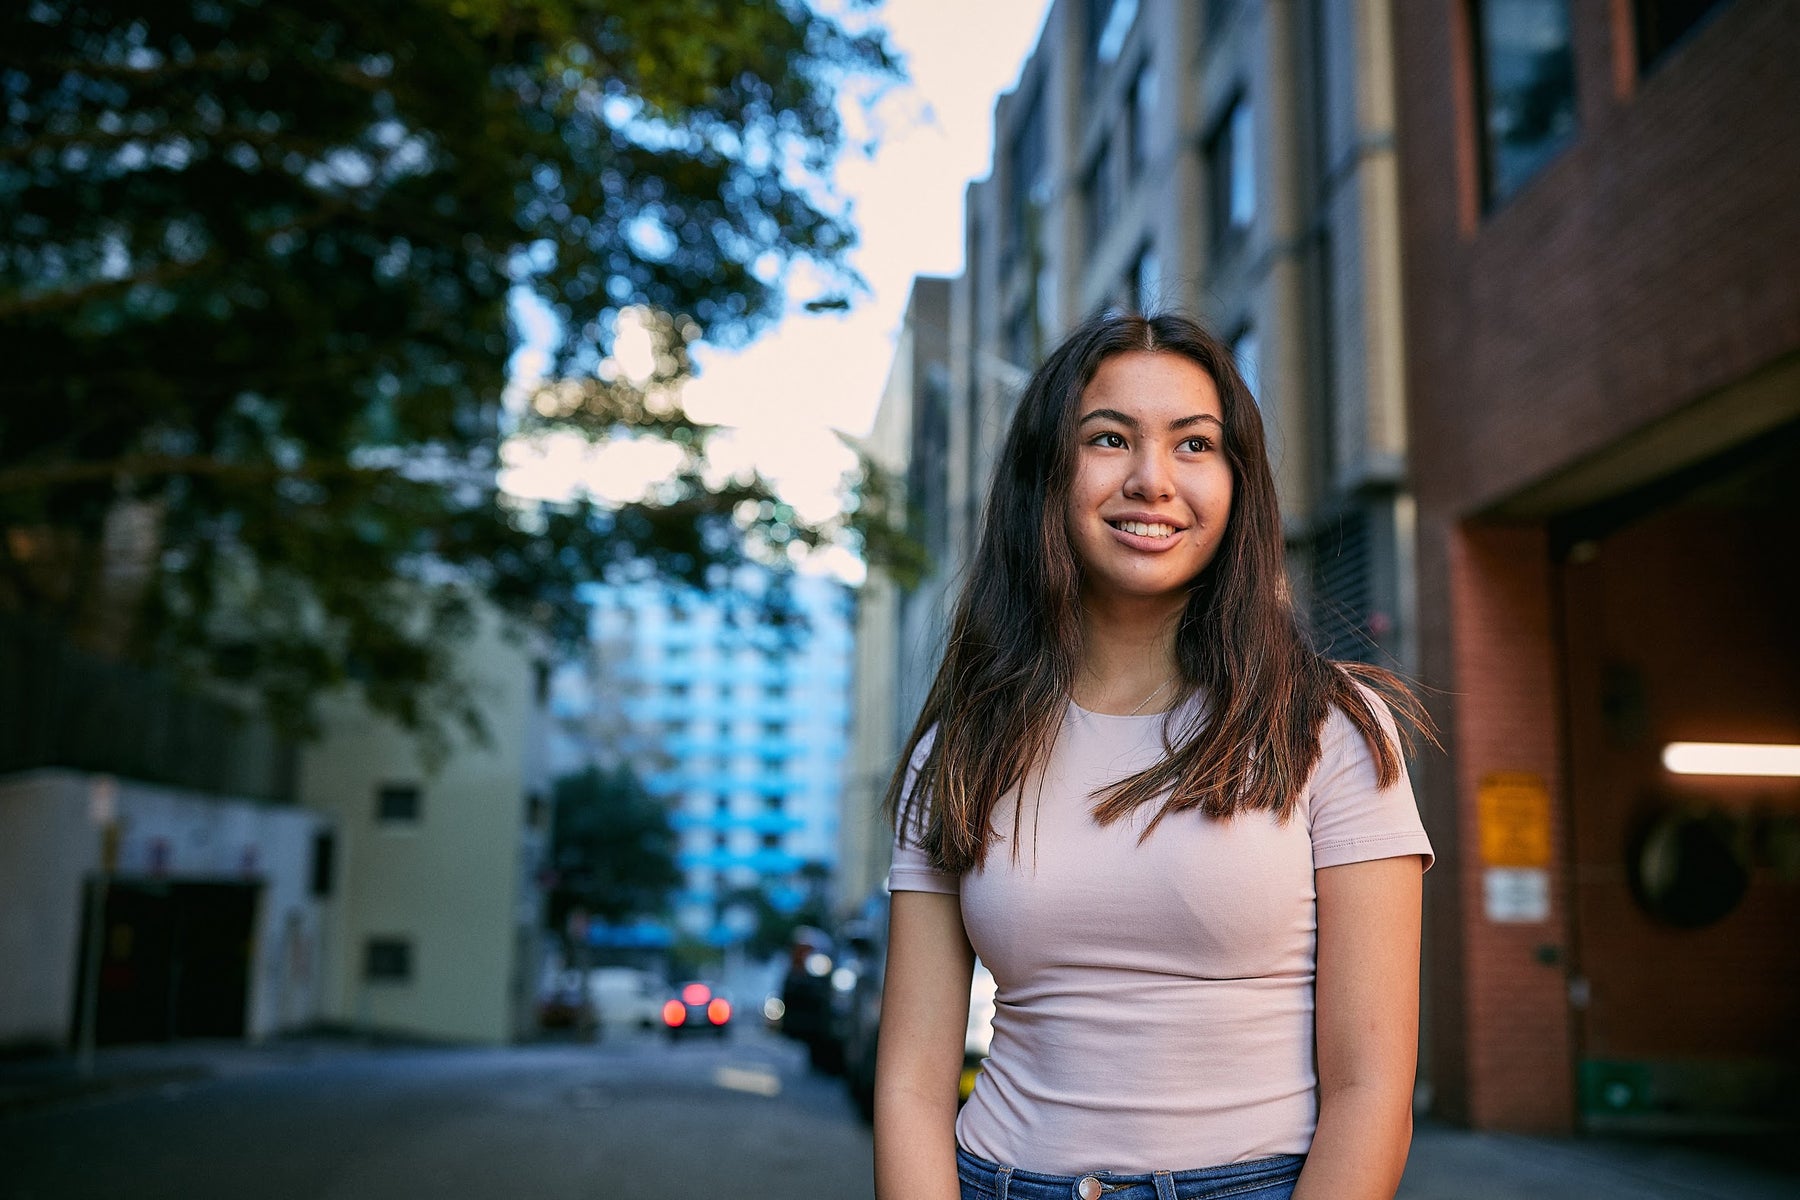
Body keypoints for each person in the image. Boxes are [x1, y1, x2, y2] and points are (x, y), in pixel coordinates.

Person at [873, 311, 1434, 1200]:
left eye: (1194, 444)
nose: (1151, 479)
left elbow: (1371, 1092)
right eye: (1109, 438)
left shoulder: (1329, 728)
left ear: (1236, 483)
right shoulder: (960, 748)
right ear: (1048, 475)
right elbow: (908, 1084)